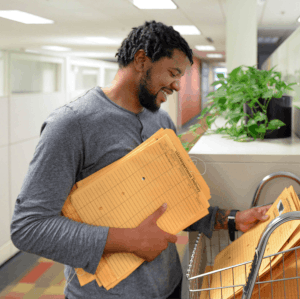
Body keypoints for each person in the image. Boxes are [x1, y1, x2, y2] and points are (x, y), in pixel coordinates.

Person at [10, 20, 271, 299]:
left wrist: (231, 219)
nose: (177, 86)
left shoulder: (162, 121)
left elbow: (174, 203)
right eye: (173, 73)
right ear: (141, 60)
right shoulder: (72, 124)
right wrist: (130, 240)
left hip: (169, 286)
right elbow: (28, 226)